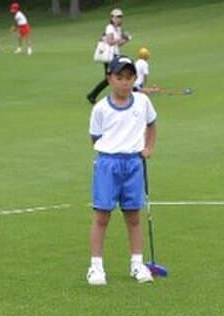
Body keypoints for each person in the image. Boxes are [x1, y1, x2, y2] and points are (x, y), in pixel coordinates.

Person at [87, 55, 157, 286]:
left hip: (134, 163)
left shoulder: (142, 102)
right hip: (108, 164)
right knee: (101, 216)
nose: (124, 83)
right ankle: (96, 267)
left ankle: (137, 264)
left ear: (135, 79)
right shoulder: (100, 109)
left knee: (133, 217)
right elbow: (95, 137)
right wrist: (113, 151)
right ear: (110, 79)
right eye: (119, 77)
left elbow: (151, 124)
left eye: (129, 77)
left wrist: (148, 147)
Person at [86, 8, 131, 104]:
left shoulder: (118, 29)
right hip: (109, 57)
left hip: (115, 55)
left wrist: (126, 39)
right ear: (112, 18)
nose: (119, 19)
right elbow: (110, 42)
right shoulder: (109, 27)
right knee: (114, 77)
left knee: (110, 78)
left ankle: (92, 95)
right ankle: (119, 96)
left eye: (120, 17)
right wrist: (121, 37)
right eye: (117, 17)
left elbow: (118, 44)